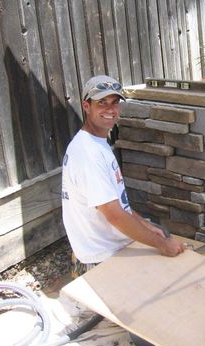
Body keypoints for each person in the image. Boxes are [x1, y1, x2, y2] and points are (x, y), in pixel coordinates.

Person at [61, 75, 185, 276]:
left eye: (115, 102)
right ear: (86, 106)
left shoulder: (96, 143)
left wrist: (145, 225)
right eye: (102, 103)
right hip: (103, 261)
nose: (110, 110)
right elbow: (114, 215)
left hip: (112, 249)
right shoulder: (88, 154)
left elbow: (119, 205)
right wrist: (162, 244)